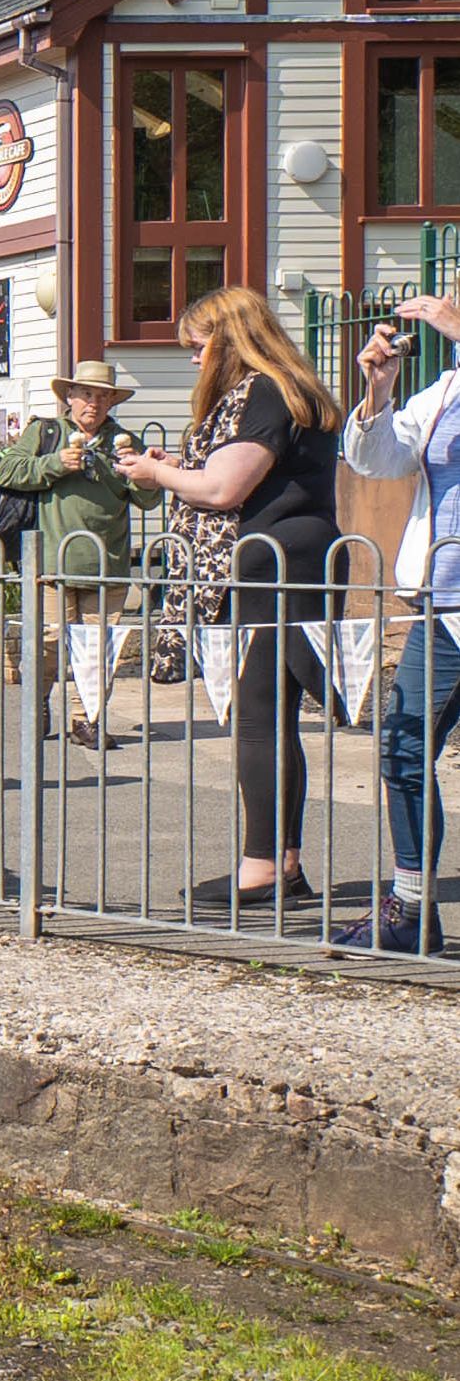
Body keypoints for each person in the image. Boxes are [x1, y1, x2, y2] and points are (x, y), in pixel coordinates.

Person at [121, 287, 341, 914]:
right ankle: (282, 863)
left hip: (277, 566)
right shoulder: (285, 387)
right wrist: (177, 464)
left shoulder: (263, 391)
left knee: (260, 716)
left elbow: (223, 488)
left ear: (229, 339)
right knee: (271, 716)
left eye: (197, 346)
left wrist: (157, 473)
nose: (193, 360)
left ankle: (264, 869)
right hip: (287, 559)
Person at [333, 292, 460, 954]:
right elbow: (376, 459)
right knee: (404, 747)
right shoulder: (446, 390)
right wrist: (377, 393)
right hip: (445, 607)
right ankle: (413, 912)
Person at [0, 361, 164, 753]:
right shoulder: (46, 432)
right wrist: (54, 464)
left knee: (99, 651)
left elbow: (148, 501)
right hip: (52, 564)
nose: (94, 404)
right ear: (69, 397)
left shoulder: (124, 441)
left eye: (103, 396)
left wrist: (145, 471)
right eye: (86, 394)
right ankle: (40, 705)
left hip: (108, 564)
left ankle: (87, 721)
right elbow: (8, 473)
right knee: (49, 645)